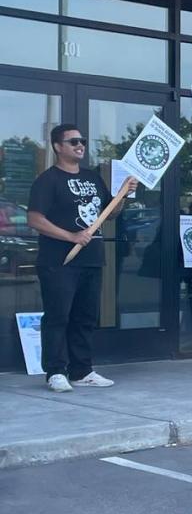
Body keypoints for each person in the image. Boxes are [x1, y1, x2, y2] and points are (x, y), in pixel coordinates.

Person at [27, 123, 136, 392]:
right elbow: (35, 219)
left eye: (82, 141)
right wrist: (71, 236)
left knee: (85, 317)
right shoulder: (47, 180)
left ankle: (81, 370)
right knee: (58, 316)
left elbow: (110, 213)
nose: (80, 145)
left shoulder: (92, 178)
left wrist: (123, 193)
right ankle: (55, 371)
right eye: (73, 141)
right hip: (59, 261)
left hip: (91, 259)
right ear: (57, 147)